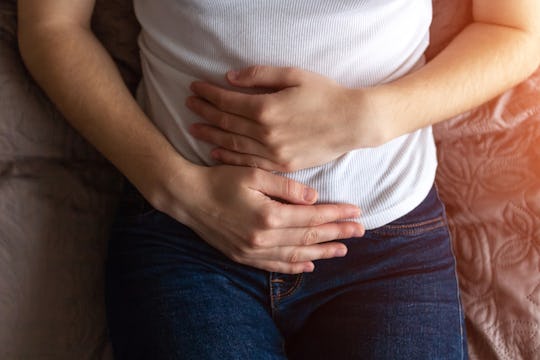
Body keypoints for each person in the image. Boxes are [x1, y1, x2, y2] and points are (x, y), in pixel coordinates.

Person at [17, 0, 540, 359]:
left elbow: (517, 30)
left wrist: (368, 118)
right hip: (187, 239)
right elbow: (51, 27)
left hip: (388, 246)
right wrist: (177, 189)